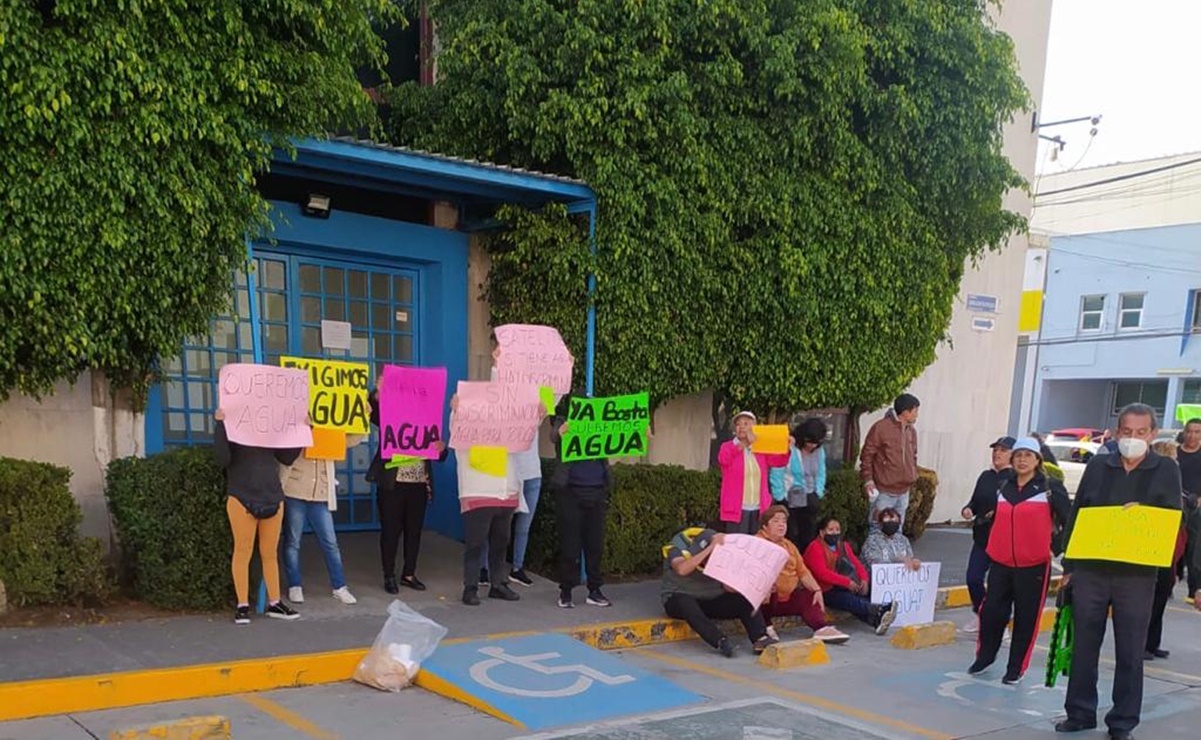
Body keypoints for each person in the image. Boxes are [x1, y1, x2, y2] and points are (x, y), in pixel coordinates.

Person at [1057, 404, 1183, 739]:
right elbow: (1078, 511)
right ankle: (1080, 712)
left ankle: (1122, 721)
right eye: (1127, 432)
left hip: (1136, 575)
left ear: (1153, 435)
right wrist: (1069, 564)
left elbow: (1175, 518)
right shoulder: (1099, 465)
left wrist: (1144, 515)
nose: (1133, 438)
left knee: (1130, 650)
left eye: (1141, 432)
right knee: (1084, 645)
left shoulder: (1166, 469)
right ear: (1116, 433)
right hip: (1091, 571)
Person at [968, 438, 1071, 685]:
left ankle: (1015, 668)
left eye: (1028, 455)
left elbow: (1069, 522)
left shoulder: (1049, 488)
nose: (1022, 460)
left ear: (1038, 459)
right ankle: (985, 656)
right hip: (1001, 563)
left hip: (1033, 565)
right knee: (991, 612)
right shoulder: (1004, 485)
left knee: (1026, 618)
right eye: (1019, 455)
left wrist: (1065, 556)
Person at [213, 409, 302, 624]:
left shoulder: (269, 428)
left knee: (270, 553)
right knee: (243, 551)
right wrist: (221, 426)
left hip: (272, 496)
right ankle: (242, 605)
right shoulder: (233, 425)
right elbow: (221, 459)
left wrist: (303, 429)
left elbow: (287, 457)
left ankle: (274, 602)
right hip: (241, 497)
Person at [479, 332, 544, 588]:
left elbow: (555, 393)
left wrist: (567, 366)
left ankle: (517, 567)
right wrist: (496, 365)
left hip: (532, 471)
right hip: (507, 469)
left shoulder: (539, 396)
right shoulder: (504, 400)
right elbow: (497, 392)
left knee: (523, 527)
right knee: (495, 525)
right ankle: (485, 569)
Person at [368, 388, 448, 593]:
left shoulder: (427, 422)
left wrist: (442, 448)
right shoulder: (391, 418)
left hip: (418, 485)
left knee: (414, 532)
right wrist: (377, 393)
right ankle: (389, 575)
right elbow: (373, 413)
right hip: (393, 485)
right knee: (390, 532)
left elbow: (439, 455)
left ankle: (409, 573)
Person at [660, 525, 777, 657]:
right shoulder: (675, 548)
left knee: (743, 599)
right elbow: (681, 569)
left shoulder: (725, 554)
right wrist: (710, 548)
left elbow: (728, 587)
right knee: (685, 603)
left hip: (710, 598)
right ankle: (720, 640)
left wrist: (758, 590)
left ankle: (760, 638)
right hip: (679, 597)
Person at [550, 399, 613, 609]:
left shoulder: (601, 424)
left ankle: (594, 590)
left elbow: (621, 435)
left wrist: (641, 432)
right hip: (571, 493)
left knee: (595, 544)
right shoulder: (563, 421)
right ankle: (566, 591)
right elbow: (553, 435)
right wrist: (562, 431)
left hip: (596, 491)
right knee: (570, 545)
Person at [756, 505, 849, 644]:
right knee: (765, 589)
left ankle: (821, 628)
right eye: (776, 521)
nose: (781, 525)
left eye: (784, 521)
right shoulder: (756, 543)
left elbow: (803, 571)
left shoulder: (789, 546)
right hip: (766, 599)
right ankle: (766, 627)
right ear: (764, 526)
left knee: (810, 593)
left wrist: (816, 589)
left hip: (787, 597)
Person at [281, 450, 357, 606]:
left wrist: (362, 426)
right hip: (295, 490)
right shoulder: (297, 428)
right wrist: (279, 488)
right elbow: (284, 457)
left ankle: (339, 586)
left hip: (320, 493)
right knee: (293, 541)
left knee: (330, 543)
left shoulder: (329, 429)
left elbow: (351, 440)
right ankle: (294, 585)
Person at [803, 517, 898, 635]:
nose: (835, 533)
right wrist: (846, 582)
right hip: (822, 589)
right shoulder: (815, 547)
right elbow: (822, 574)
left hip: (840, 583)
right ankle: (878, 610)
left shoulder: (843, 546)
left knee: (859, 591)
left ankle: (875, 620)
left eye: (837, 529)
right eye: (831, 530)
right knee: (846, 599)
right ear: (822, 532)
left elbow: (856, 563)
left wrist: (864, 579)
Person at [961, 436, 1016, 629]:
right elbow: (975, 501)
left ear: (1012, 455)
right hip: (983, 537)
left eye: (1003, 450)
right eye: (995, 450)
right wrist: (968, 509)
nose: (997, 453)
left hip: (1004, 540)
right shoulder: (986, 476)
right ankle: (981, 613)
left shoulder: (1015, 479)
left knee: (999, 585)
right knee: (973, 578)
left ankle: (1000, 622)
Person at [1144, 440, 1186, 661]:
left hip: (1169, 551)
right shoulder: (1155, 486)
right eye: (1172, 457)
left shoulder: (1175, 486)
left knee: (1160, 599)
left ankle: (1153, 643)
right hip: (1154, 549)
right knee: (1150, 600)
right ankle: (1143, 645)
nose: (1176, 462)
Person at [718, 411, 790, 534]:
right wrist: (744, 444)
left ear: (753, 427)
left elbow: (778, 462)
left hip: (759, 507)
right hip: (737, 508)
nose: (741, 427)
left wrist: (786, 447)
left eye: (746, 423)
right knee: (738, 545)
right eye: (738, 424)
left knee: (756, 544)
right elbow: (723, 459)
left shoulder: (760, 447)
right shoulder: (727, 446)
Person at [860, 394, 920, 529]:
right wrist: (868, 480)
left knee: (897, 532)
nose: (917, 415)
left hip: (904, 491)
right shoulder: (881, 428)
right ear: (905, 412)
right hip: (883, 492)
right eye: (915, 411)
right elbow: (867, 455)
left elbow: (913, 456)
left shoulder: (912, 431)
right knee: (878, 529)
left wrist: (913, 473)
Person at [769, 417, 828, 551]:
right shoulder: (789, 446)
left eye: (815, 443)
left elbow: (821, 472)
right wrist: (780, 496)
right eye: (809, 442)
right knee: (791, 534)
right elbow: (777, 471)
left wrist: (818, 492)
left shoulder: (820, 451)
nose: (812, 446)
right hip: (789, 496)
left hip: (810, 496)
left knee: (808, 535)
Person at [1177, 418, 1201, 603]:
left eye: (1197, 432)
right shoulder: (1174, 453)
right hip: (1174, 504)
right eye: (1190, 431)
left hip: (1195, 508)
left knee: (1193, 549)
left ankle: (1194, 590)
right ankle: (1165, 585)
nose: (1192, 435)